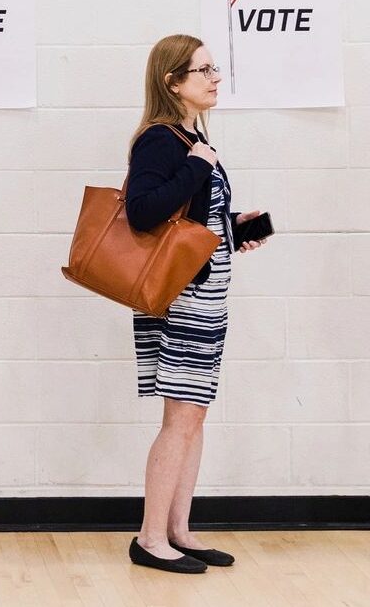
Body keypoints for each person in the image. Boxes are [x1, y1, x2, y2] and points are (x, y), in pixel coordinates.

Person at [123, 34, 268, 575]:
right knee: (181, 418)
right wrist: (198, 166)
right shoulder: (161, 141)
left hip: (206, 297)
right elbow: (142, 213)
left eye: (214, 68)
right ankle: (149, 538)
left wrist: (233, 228)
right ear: (173, 82)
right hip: (182, 299)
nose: (215, 78)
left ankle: (178, 530)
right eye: (203, 70)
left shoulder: (191, 138)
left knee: (194, 415)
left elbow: (186, 219)